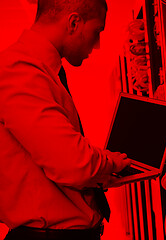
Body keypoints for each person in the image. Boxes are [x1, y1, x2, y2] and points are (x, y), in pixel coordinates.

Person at [0, 0, 131, 239]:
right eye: (97, 31)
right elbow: (74, 163)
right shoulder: (19, 70)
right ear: (73, 22)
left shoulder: (42, 71)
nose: (98, 44)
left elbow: (59, 158)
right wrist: (112, 162)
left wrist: (101, 174)